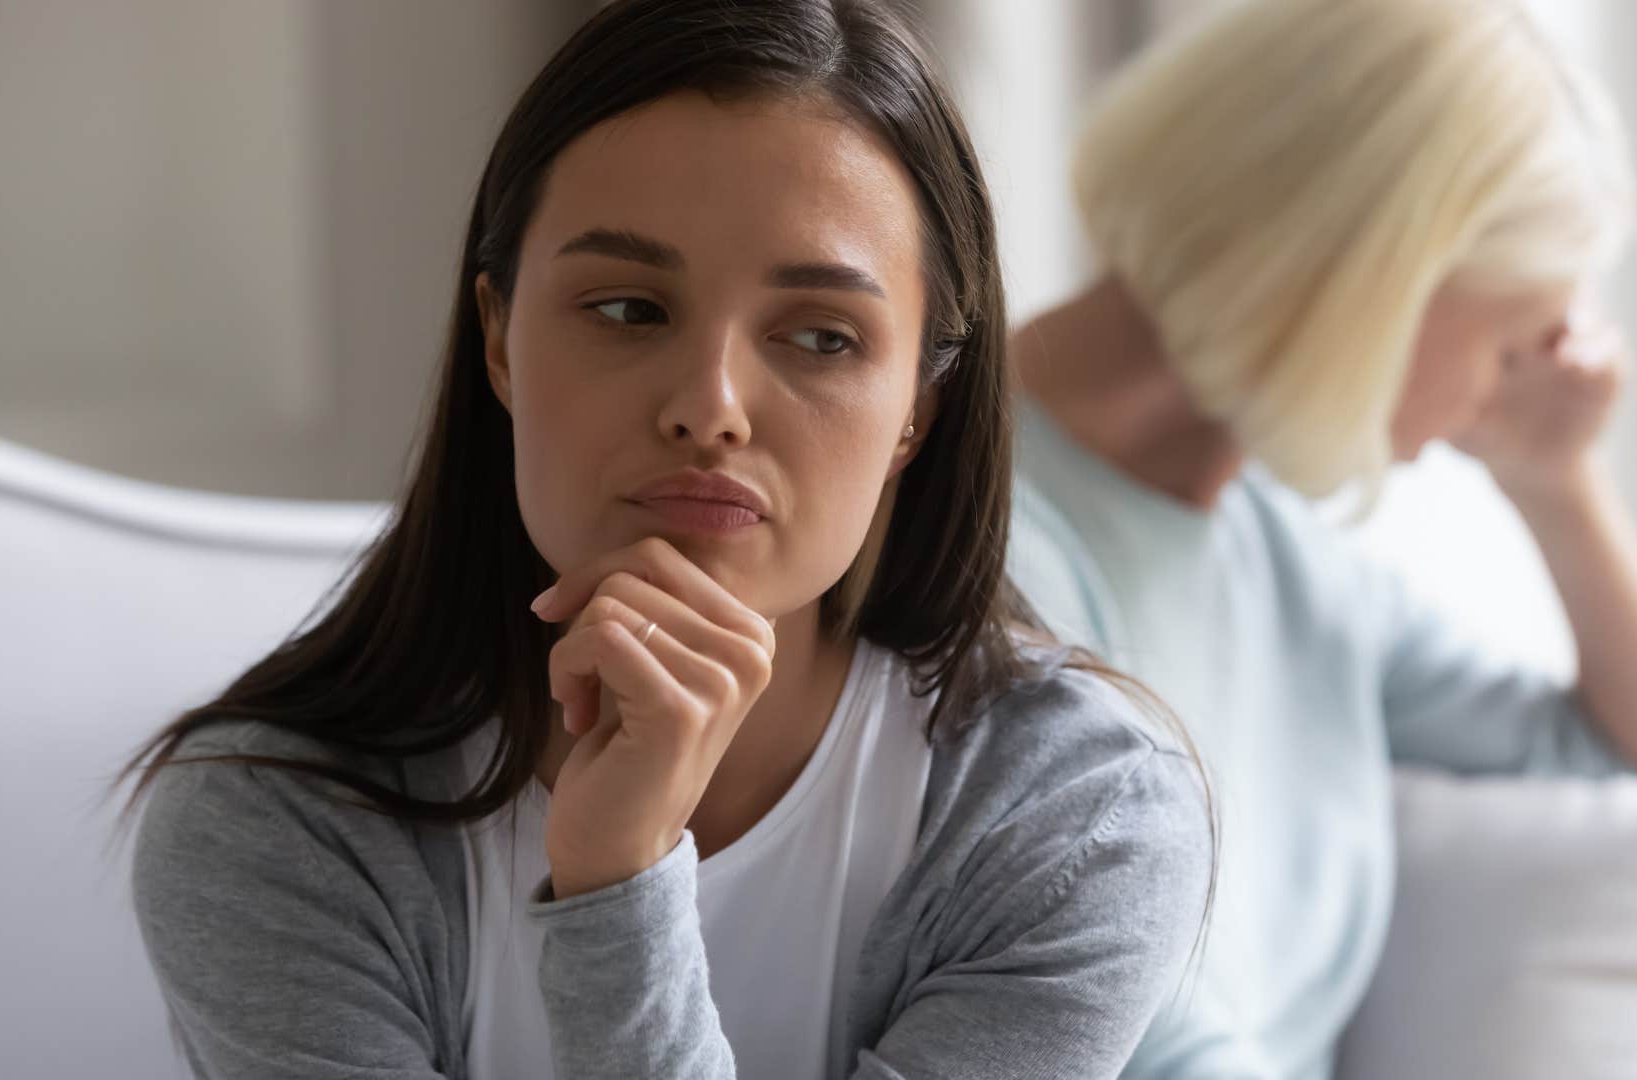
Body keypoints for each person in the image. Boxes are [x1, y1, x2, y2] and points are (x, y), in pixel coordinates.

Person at [121, 1, 1213, 1077]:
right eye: (629, 310)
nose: (710, 407)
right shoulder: (273, 824)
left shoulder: (1077, 819)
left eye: (823, 336)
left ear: (918, 408)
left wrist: (620, 883)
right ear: (500, 342)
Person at [1004, 0, 1637, 1075]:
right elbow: (1132, 1031)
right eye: (1512, 344)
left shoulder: (1288, 567)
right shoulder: (989, 541)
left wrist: (1557, 481)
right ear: (1375, 280)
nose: (1517, 390)